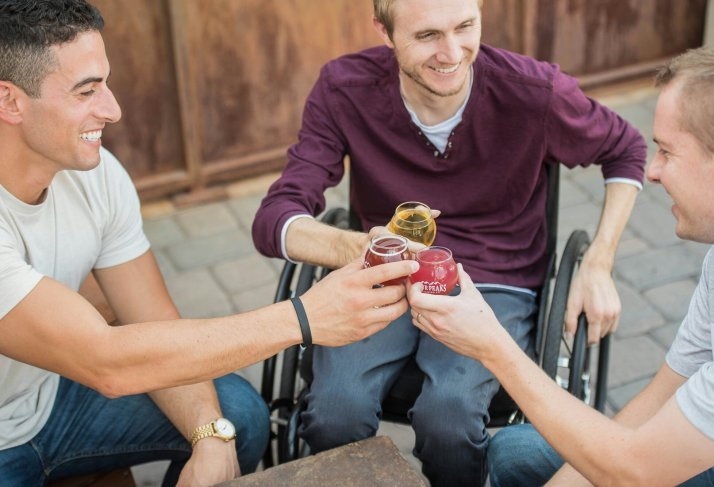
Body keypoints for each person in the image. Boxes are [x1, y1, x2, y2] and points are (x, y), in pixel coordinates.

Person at [0, 1, 417, 486]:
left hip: (51, 404)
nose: (112, 109)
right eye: (86, 91)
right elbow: (106, 361)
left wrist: (210, 433)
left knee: (238, 415)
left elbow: (152, 319)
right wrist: (306, 317)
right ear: (10, 101)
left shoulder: (95, 175)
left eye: (105, 83)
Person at [251, 0, 647, 484]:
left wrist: (599, 263)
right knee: (333, 411)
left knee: (449, 417)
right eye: (427, 36)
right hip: (387, 274)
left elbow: (626, 149)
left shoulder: (533, 91)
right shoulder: (344, 88)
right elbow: (274, 218)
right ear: (384, 30)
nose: (452, 52)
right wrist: (360, 248)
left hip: (497, 279)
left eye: (465, 26)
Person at [407, 42, 714, 486]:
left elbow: (636, 472)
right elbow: (652, 408)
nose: (653, 172)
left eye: (668, 152)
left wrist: (490, 344)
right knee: (516, 450)